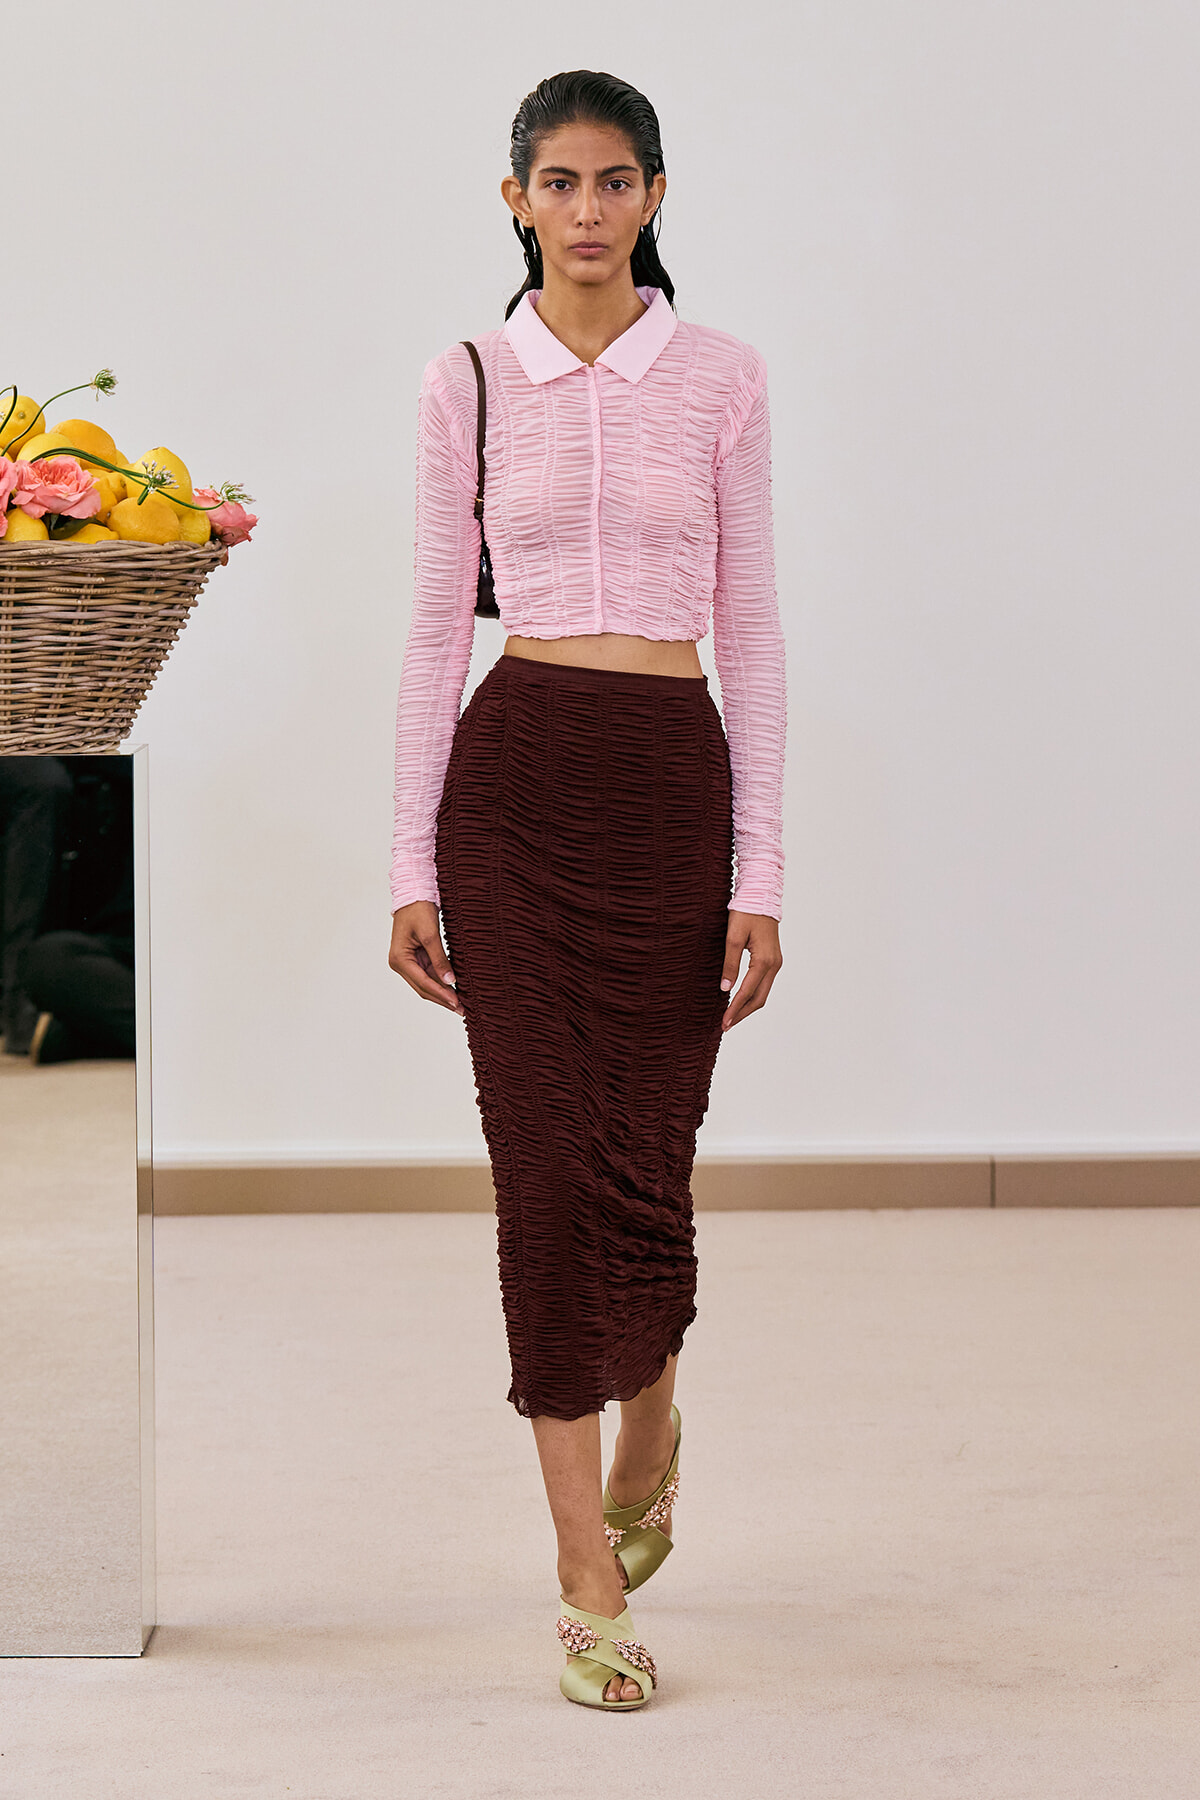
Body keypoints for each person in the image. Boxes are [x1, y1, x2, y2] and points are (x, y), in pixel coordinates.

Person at [388, 70, 786, 1710]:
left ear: (656, 195)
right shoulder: (471, 378)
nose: (589, 210)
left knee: (645, 1159)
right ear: (516, 201)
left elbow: (754, 631)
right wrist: (409, 859)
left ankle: (654, 1415)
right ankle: (582, 1565)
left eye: (617, 181)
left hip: (672, 785)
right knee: (545, 1171)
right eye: (558, 182)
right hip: (517, 788)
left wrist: (764, 866)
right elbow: (436, 627)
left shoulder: (724, 378)